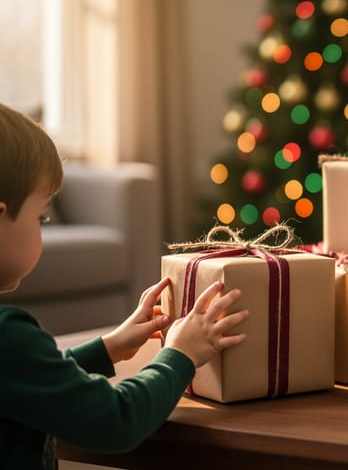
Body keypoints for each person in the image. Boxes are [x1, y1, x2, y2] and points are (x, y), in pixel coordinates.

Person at [0, 102, 250, 469]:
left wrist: (108, 347)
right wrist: (181, 354)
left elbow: (28, 381)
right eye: (42, 216)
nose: (43, 226)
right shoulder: (9, 337)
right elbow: (117, 420)